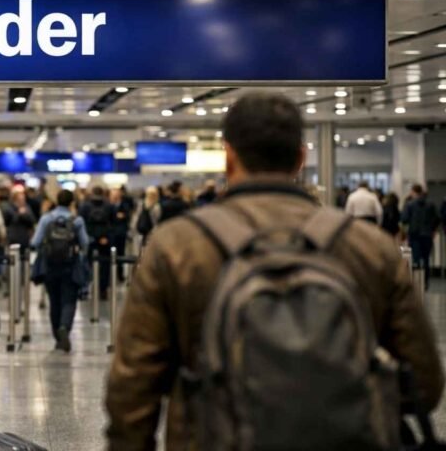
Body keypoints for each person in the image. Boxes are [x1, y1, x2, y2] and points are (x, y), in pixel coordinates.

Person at [106, 92, 444, 451]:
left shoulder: (177, 247)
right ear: (301, 158)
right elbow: (424, 383)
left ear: (229, 157)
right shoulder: (369, 247)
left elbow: (133, 388)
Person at [31, 189, 89, 353]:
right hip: (70, 265)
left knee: (54, 301)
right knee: (69, 300)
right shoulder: (77, 220)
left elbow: (35, 242)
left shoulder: (46, 218)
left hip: (50, 266)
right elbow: (85, 243)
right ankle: (65, 327)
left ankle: (57, 336)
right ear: (72, 202)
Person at [402, 183, 440, 292]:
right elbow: (437, 218)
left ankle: (416, 282)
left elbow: (404, 219)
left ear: (414, 192)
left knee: (416, 259)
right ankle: (425, 282)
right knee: (426, 259)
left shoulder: (409, 204)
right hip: (427, 235)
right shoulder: (431, 204)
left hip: (414, 235)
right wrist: (432, 229)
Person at [79, 186, 112, 290]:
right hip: (104, 237)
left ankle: (86, 285)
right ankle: (103, 288)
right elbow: (112, 223)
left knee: (86, 262)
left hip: (89, 237)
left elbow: (81, 222)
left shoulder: (85, 205)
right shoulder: (108, 205)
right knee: (105, 264)